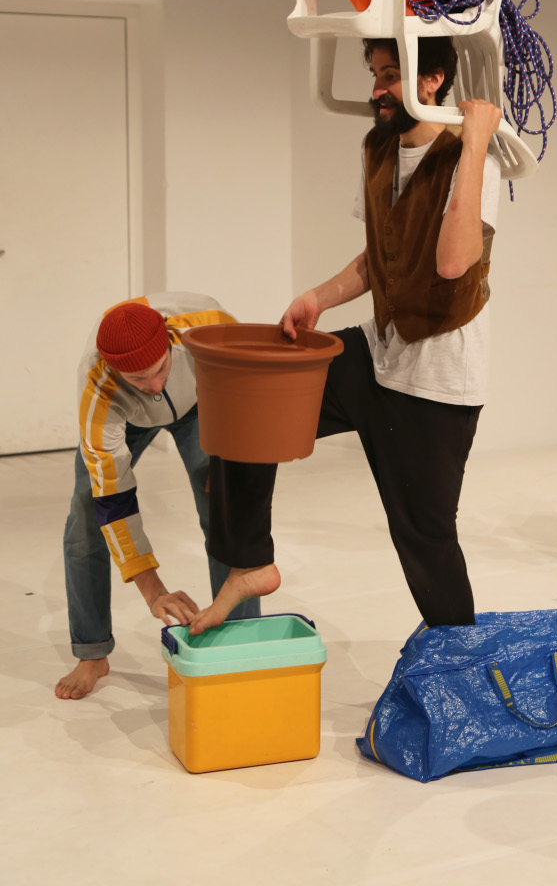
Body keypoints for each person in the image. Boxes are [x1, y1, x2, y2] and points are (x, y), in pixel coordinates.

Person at [188, 36, 502, 636]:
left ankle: (460, 659)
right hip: (377, 351)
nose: (378, 90)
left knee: (425, 539)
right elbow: (380, 256)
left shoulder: (474, 161)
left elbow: (452, 261)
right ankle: (250, 563)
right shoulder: (379, 149)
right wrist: (318, 297)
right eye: (376, 73)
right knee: (252, 408)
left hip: (437, 379)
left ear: (433, 80)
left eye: (392, 75)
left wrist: (475, 144)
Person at [55, 292, 262, 700]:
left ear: (170, 341)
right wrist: (153, 591)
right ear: (115, 370)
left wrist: (232, 459)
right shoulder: (99, 388)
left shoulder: (208, 325)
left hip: (202, 402)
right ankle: (93, 653)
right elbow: (113, 501)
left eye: (161, 368)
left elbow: (251, 386)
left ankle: (240, 642)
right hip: (127, 416)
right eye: (138, 379)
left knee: (224, 507)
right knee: (86, 518)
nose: (154, 385)